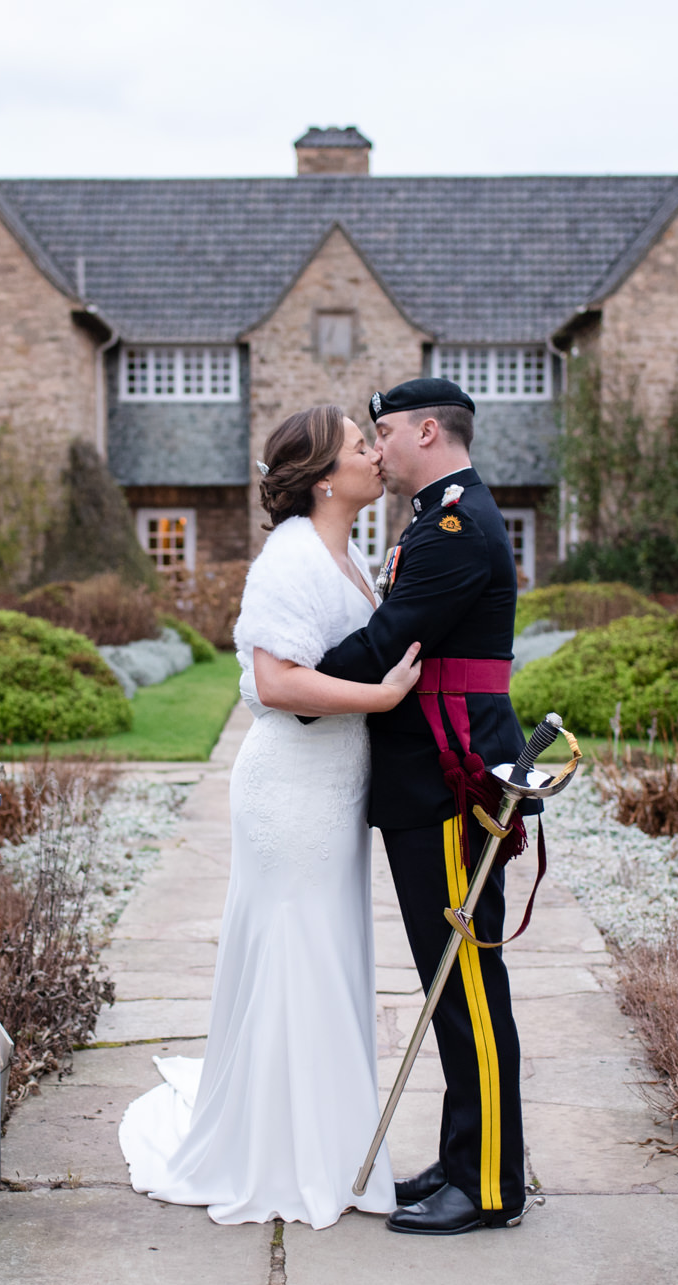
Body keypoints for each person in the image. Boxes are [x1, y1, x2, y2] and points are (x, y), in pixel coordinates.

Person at [117, 405, 423, 1229]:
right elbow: (277, 681)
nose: (375, 455)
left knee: (326, 951)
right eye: (363, 448)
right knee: (299, 952)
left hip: (334, 785)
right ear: (325, 476)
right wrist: (384, 695)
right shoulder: (289, 558)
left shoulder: (347, 549)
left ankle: (327, 1142)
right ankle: (285, 1158)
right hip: (291, 790)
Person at [311, 377, 534, 1235]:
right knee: (456, 983)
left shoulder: (451, 524)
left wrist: (297, 685)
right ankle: (469, 1154)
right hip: (439, 776)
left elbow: (388, 641)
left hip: (450, 781)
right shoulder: (448, 514)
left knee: (467, 981)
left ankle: (486, 1187)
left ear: (429, 431)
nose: (380, 448)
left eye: (388, 433)